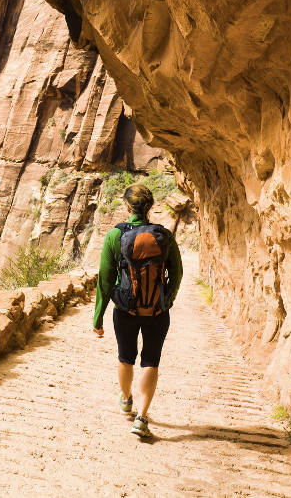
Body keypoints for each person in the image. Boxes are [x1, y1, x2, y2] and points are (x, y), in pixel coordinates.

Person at [93, 184, 183, 437]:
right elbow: (177, 273)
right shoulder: (164, 235)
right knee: (151, 361)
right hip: (157, 312)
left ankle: (126, 399)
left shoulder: (115, 236)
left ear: (126, 206)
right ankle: (142, 417)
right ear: (150, 207)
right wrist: (167, 300)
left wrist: (98, 317)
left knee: (125, 357)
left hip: (125, 310)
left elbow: (105, 279)